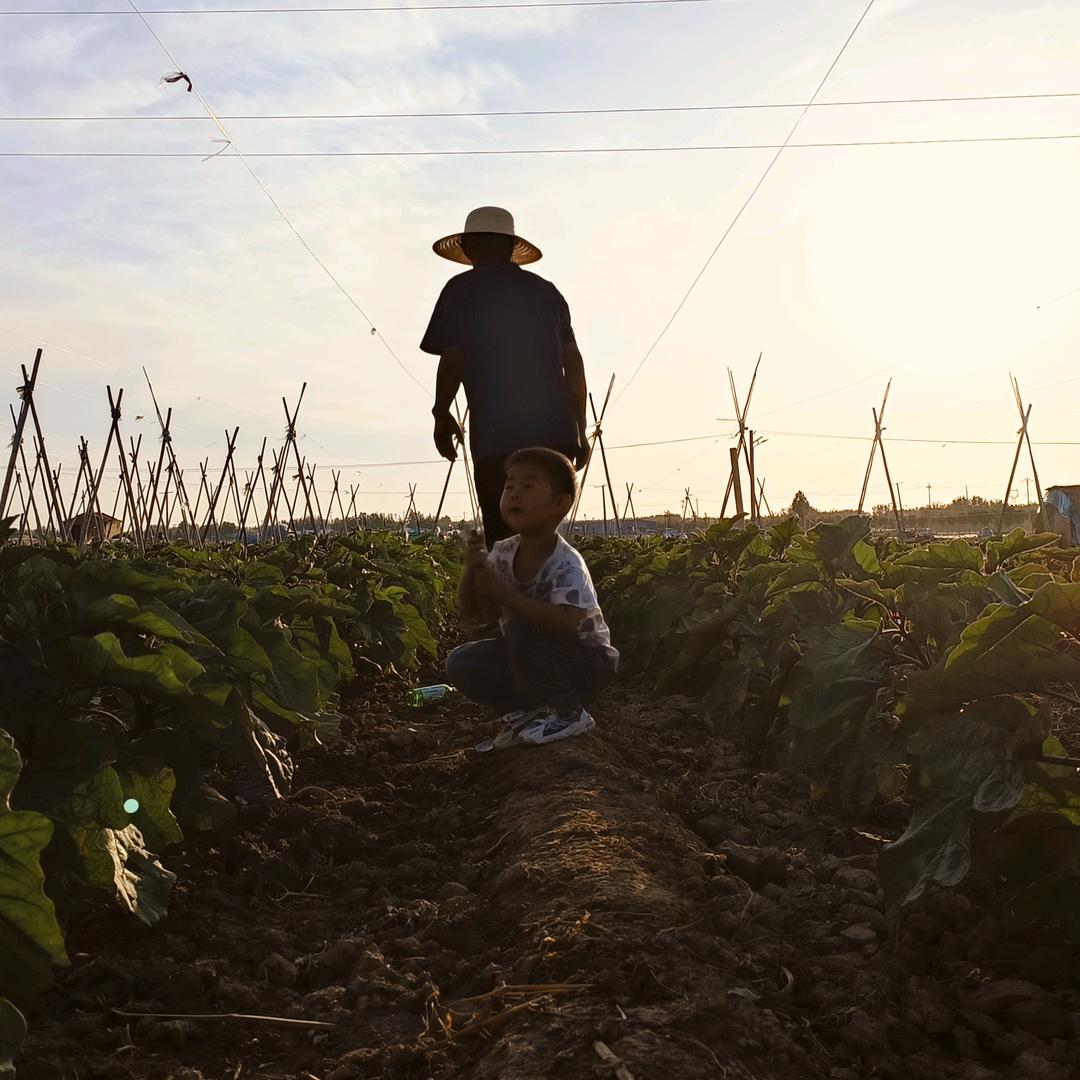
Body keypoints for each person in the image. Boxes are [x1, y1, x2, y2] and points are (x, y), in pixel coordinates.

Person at [421, 206, 589, 548]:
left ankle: (512, 600)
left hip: (499, 439)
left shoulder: (461, 289)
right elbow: (573, 363)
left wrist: (441, 414)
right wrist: (580, 429)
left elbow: (453, 358)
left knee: (505, 541)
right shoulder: (547, 292)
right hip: (553, 437)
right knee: (542, 539)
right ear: (511, 249)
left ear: (468, 249)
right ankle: (554, 598)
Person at [446, 447, 618, 747]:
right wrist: (471, 569)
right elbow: (474, 612)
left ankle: (567, 712)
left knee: (524, 628)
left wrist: (506, 595)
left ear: (561, 504)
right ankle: (531, 711)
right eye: (509, 485)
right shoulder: (503, 553)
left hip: (586, 664)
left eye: (528, 486)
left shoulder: (565, 562)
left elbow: (570, 624)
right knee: (463, 662)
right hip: (529, 655)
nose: (514, 494)